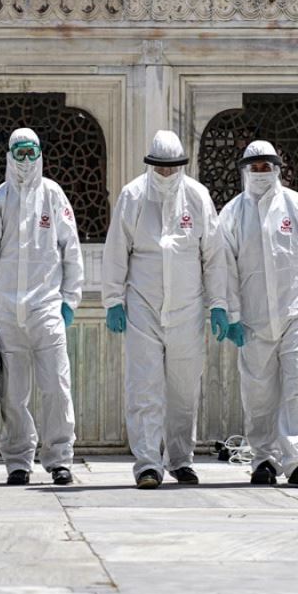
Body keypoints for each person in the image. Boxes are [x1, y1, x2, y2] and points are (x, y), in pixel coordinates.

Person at [102, 130, 229, 489]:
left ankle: (181, 459)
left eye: (173, 168)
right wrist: (113, 300)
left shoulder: (198, 197)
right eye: (160, 168)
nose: (166, 175)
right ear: (150, 165)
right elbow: (116, 252)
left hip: (187, 311)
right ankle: (147, 463)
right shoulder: (133, 196)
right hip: (143, 309)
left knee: (184, 390)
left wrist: (218, 304)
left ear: (182, 166)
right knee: (145, 388)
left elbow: (214, 256)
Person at [219, 141, 298, 486]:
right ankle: (263, 460)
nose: (260, 173)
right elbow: (225, 269)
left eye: (265, 167)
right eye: (253, 167)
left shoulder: (296, 207)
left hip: (295, 314)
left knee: (297, 388)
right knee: (258, 394)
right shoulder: (232, 214)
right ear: (244, 170)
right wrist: (232, 315)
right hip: (253, 321)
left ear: (277, 168)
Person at [0, 128, 82, 486]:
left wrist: (69, 300)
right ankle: (18, 460)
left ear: (40, 153)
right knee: (14, 394)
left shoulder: (53, 195)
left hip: (46, 309)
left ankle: (59, 458)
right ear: (9, 155)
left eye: (31, 152)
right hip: (7, 313)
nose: (25, 160)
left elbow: (72, 250)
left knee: (56, 387)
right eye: (19, 152)